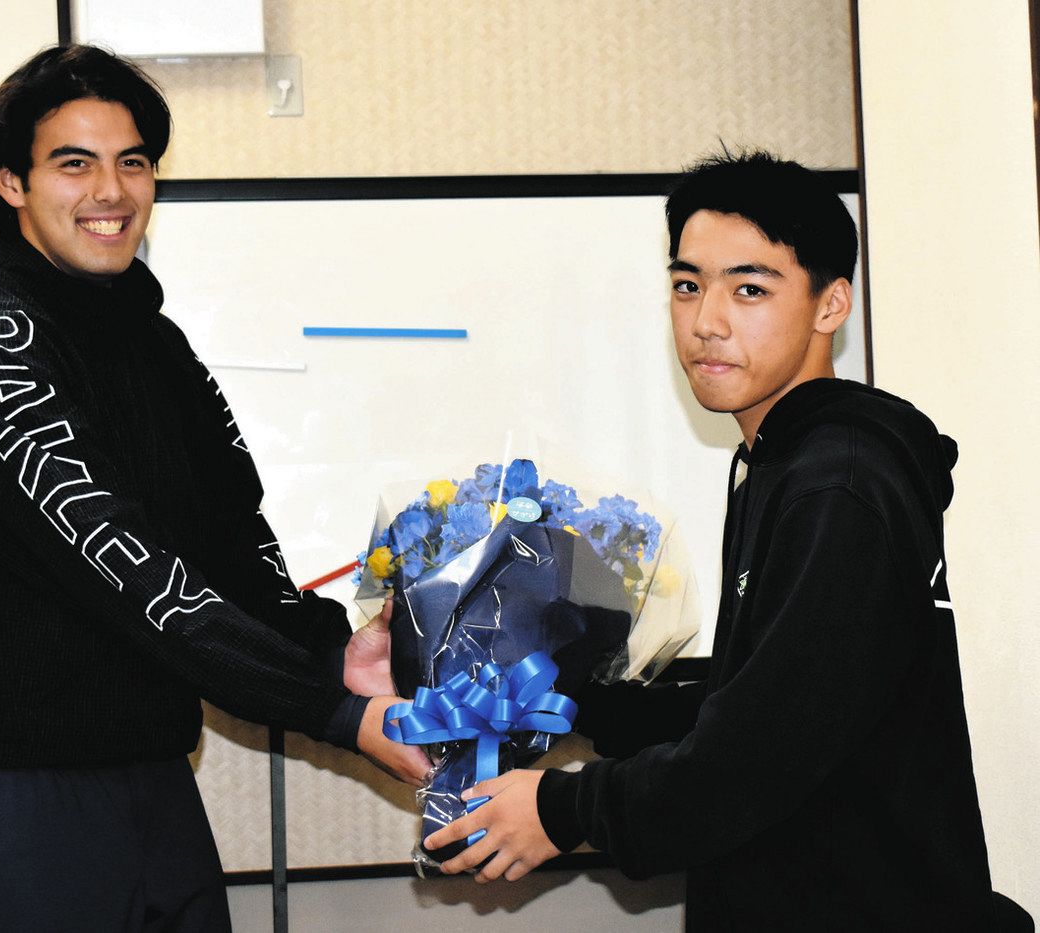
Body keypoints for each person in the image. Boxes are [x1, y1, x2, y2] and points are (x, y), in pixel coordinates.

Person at [0, 44, 426, 932]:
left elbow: (230, 535)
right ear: (11, 182)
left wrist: (332, 655)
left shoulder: (153, 342)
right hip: (5, 801)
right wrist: (333, 712)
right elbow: (130, 571)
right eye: (74, 164)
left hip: (151, 778)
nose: (112, 191)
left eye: (132, 162)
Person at [424, 152, 1033, 930]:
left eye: (749, 289)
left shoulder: (838, 484)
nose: (707, 320)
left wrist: (564, 807)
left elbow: (757, 757)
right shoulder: (776, 462)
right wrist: (572, 697)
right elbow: (752, 700)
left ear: (831, 304)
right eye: (688, 285)